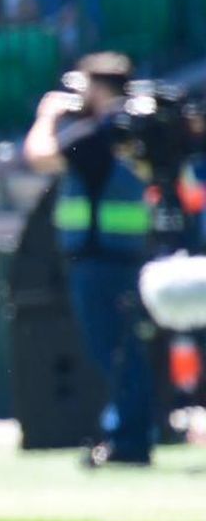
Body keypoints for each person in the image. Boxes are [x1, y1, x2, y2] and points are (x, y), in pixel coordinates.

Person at [24, 53, 157, 468]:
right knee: (124, 350)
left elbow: (38, 154)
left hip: (101, 261)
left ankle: (129, 439)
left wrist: (48, 115)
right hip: (125, 255)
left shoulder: (101, 134)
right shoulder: (133, 133)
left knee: (115, 351)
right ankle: (127, 434)